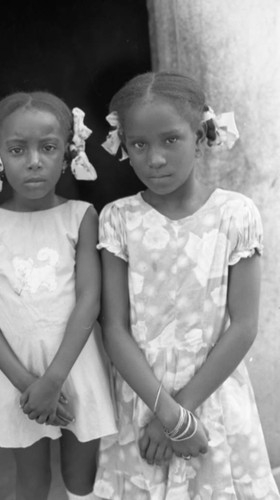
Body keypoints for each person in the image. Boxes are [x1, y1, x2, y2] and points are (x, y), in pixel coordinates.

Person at [93, 72, 280, 499]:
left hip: (210, 397)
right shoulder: (118, 219)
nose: (155, 158)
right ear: (124, 146)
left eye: (170, 140)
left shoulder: (236, 215)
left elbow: (244, 325)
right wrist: (166, 415)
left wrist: (180, 416)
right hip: (142, 398)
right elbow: (115, 328)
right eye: (139, 144)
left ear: (199, 137)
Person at [0, 91, 117, 500]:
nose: (33, 161)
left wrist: (54, 379)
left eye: (48, 148)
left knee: (81, 479)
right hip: (16, 374)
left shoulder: (81, 217)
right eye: (17, 149)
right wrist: (28, 383)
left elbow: (89, 302)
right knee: (31, 482)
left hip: (75, 367)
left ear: (68, 153)